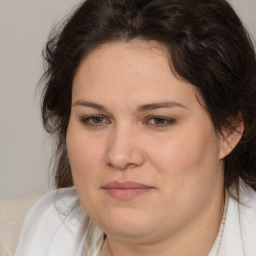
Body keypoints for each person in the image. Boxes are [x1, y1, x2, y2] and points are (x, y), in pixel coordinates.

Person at [15, 0, 256, 255]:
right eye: (95, 119)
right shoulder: (47, 227)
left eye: (158, 120)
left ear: (229, 129)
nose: (119, 155)